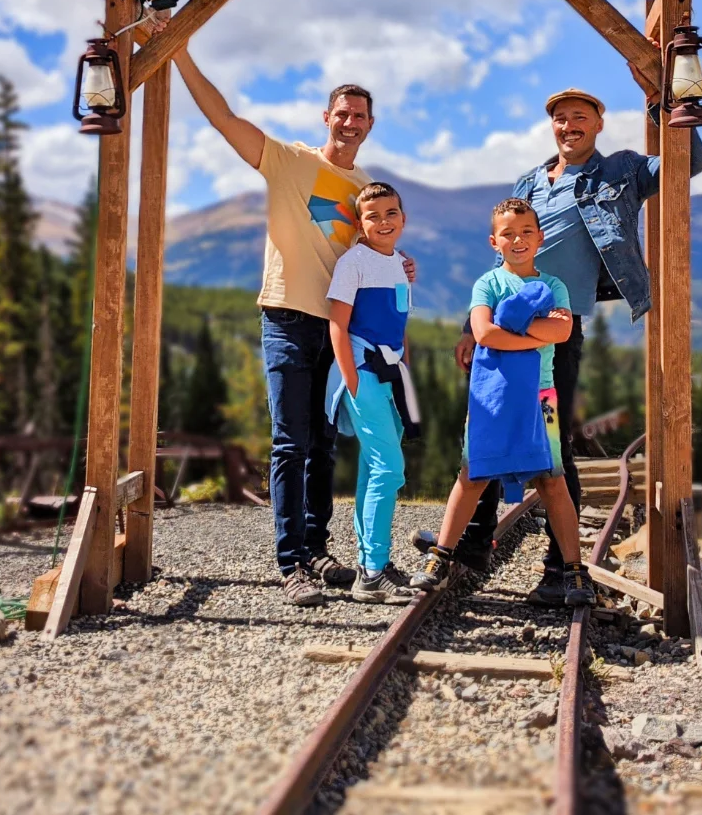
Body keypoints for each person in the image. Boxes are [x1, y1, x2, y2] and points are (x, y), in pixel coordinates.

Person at [414, 87, 702, 604]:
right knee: (487, 440)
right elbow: (501, 262)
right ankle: (472, 548)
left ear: (598, 123)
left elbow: (691, 162)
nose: (568, 125)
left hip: (558, 334)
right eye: (560, 118)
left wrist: (666, 105)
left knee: (555, 451)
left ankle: (560, 569)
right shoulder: (530, 182)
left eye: (579, 117)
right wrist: (471, 327)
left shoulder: (621, 171)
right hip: (502, 335)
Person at [180, 63, 413, 607]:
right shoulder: (288, 160)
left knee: (325, 443)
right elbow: (222, 117)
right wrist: (181, 55)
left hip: (341, 328)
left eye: (359, 116)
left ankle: (317, 547)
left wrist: (400, 266)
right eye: (341, 114)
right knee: (291, 441)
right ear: (325, 117)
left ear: (370, 124)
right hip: (286, 316)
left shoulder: (364, 191)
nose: (349, 123)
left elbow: (373, 250)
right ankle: (292, 564)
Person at [408, 199, 596, 607]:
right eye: (508, 233)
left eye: (527, 232)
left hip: (540, 395)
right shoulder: (487, 284)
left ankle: (575, 571)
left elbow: (562, 333)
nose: (518, 240)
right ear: (494, 241)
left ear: (540, 237)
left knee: (552, 478)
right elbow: (484, 333)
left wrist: (511, 328)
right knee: (473, 474)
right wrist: (535, 335)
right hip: (489, 396)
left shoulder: (555, 285)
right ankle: (441, 556)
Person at [324, 182, 418, 604]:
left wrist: (405, 375)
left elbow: (399, 324)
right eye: (373, 215)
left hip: (391, 377)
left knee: (373, 466)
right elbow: (337, 325)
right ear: (360, 224)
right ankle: (373, 573)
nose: (383, 221)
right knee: (389, 467)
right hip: (361, 374)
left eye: (391, 213)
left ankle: (370, 561)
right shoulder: (352, 263)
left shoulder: (401, 263)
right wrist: (354, 379)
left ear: (403, 217)